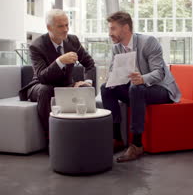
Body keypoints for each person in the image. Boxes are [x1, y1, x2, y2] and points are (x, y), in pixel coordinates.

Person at [101, 11, 181, 163]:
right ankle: (116, 138)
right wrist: (112, 79)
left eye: (113, 29)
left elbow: (160, 73)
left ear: (125, 28)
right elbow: (114, 71)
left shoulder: (148, 42)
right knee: (106, 88)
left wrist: (142, 79)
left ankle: (137, 144)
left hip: (161, 89)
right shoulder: (116, 48)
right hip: (136, 90)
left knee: (136, 88)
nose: (109, 33)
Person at [19, 9, 95, 141]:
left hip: (65, 85)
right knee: (46, 90)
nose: (66, 29)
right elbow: (42, 77)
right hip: (40, 85)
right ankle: (51, 138)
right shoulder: (37, 46)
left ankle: (83, 135)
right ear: (49, 27)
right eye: (61, 26)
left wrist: (87, 82)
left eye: (67, 25)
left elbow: (90, 64)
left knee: (84, 89)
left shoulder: (73, 41)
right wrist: (60, 61)